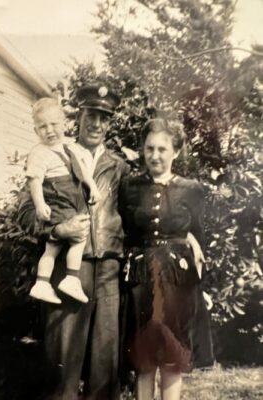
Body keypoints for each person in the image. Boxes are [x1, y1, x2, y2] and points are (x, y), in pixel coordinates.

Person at [18, 83, 129, 400]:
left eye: (104, 118)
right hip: (69, 268)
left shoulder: (119, 167)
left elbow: (136, 217)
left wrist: (187, 233)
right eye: (91, 115)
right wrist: (56, 231)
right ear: (77, 118)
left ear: (110, 123)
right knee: (63, 360)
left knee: (105, 362)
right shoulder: (52, 156)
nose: (97, 124)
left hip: (108, 269)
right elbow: (26, 212)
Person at [119, 117, 214, 400]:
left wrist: (200, 285)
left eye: (162, 149)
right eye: (149, 148)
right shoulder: (130, 187)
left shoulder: (192, 189)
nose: (155, 155)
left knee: (173, 357)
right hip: (140, 278)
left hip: (177, 280)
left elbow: (198, 237)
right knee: (144, 359)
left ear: (175, 151)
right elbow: (124, 231)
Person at [25, 97, 101, 304]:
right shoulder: (39, 152)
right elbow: (35, 180)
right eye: (42, 127)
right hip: (58, 198)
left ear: (65, 124)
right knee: (71, 239)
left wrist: (92, 187)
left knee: (56, 244)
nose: (49, 130)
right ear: (35, 131)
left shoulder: (70, 148)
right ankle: (69, 278)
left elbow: (82, 172)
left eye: (54, 124)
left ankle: (43, 282)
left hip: (73, 199)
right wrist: (40, 204)